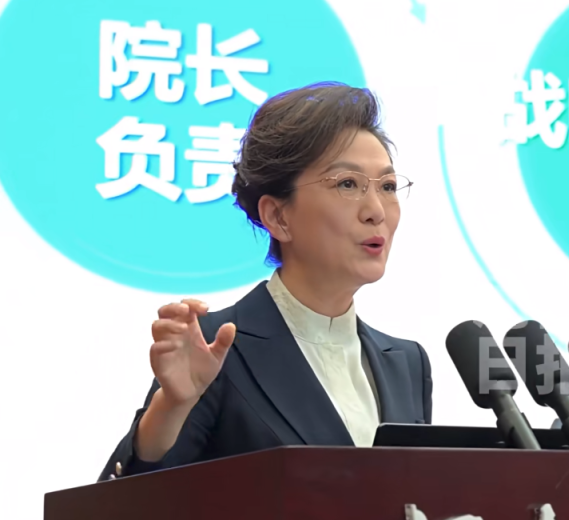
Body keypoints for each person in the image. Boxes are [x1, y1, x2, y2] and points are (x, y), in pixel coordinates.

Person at [99, 82, 433, 482]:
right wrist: (171, 407)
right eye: (348, 184)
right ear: (278, 217)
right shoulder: (216, 347)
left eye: (388, 186)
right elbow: (124, 508)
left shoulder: (407, 363)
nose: (376, 210)